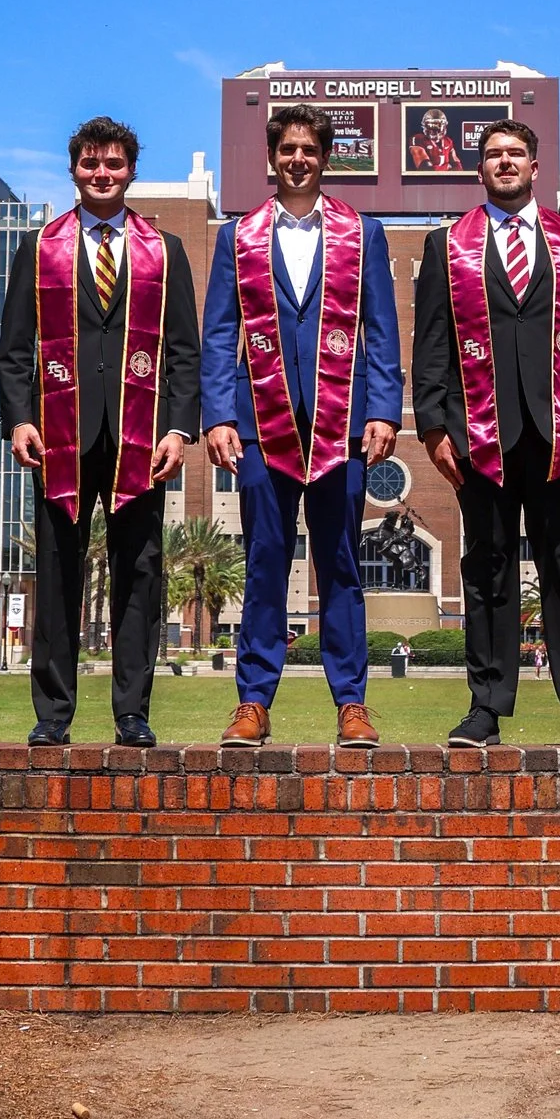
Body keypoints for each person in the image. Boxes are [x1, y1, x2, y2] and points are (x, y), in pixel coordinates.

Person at [413, 116, 560, 746]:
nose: (505, 163)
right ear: (480, 170)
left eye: (516, 154)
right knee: (487, 570)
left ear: (536, 168)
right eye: (493, 155)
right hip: (477, 432)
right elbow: (432, 345)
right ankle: (486, 708)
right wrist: (431, 426)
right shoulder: (446, 247)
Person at [202, 103, 403, 746]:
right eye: (286, 148)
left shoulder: (360, 233)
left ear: (325, 157)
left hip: (342, 424)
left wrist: (383, 408)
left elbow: (382, 329)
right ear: (271, 157)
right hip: (260, 424)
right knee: (264, 562)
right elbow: (219, 333)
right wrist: (217, 415)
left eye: (309, 148)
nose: (297, 158)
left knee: (342, 565)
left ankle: (352, 702)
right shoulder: (237, 235)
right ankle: (253, 701)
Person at [0, 116, 199, 747]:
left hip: (140, 435)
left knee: (141, 572)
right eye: (90, 163)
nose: (102, 173)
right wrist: (20, 417)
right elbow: (14, 347)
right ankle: (53, 714)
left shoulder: (163, 251)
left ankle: (131, 713)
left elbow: (184, 352)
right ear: (74, 170)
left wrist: (179, 430)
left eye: (113, 164)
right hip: (61, 433)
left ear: (131, 170)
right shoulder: (40, 247)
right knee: (57, 573)